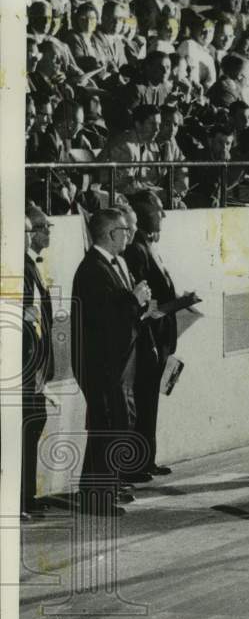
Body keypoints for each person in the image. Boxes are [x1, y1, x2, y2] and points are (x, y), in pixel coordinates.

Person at [70, 207, 153, 516]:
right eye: (124, 231)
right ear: (110, 234)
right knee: (106, 426)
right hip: (101, 364)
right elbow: (104, 318)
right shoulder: (92, 269)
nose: (128, 235)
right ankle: (96, 498)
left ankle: (100, 491)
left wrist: (137, 303)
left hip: (115, 361)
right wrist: (133, 299)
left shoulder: (110, 265)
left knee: (111, 425)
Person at [123, 190, 182, 481]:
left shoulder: (149, 246)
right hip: (147, 337)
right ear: (144, 213)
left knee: (150, 400)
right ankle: (136, 463)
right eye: (159, 210)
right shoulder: (136, 250)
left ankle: (147, 459)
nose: (164, 214)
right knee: (142, 399)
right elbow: (141, 298)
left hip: (159, 336)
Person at [22, 204, 56, 521]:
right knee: (28, 426)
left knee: (34, 424)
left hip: (36, 365)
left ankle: (28, 496)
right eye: (42, 226)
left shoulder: (33, 266)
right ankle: (22, 497)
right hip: (27, 366)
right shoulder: (22, 267)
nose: (48, 232)